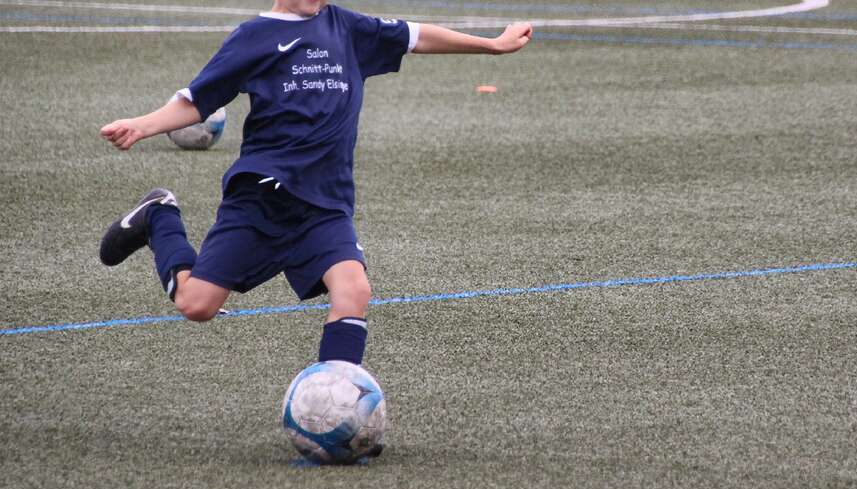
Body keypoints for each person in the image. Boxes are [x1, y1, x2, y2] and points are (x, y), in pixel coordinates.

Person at [98, 0, 532, 366]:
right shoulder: (254, 38)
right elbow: (195, 100)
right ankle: (159, 216)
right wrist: (142, 125)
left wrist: (492, 46)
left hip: (325, 205)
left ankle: (338, 402)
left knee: (353, 290)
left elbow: (417, 36)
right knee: (196, 305)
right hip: (262, 198)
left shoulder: (347, 27)